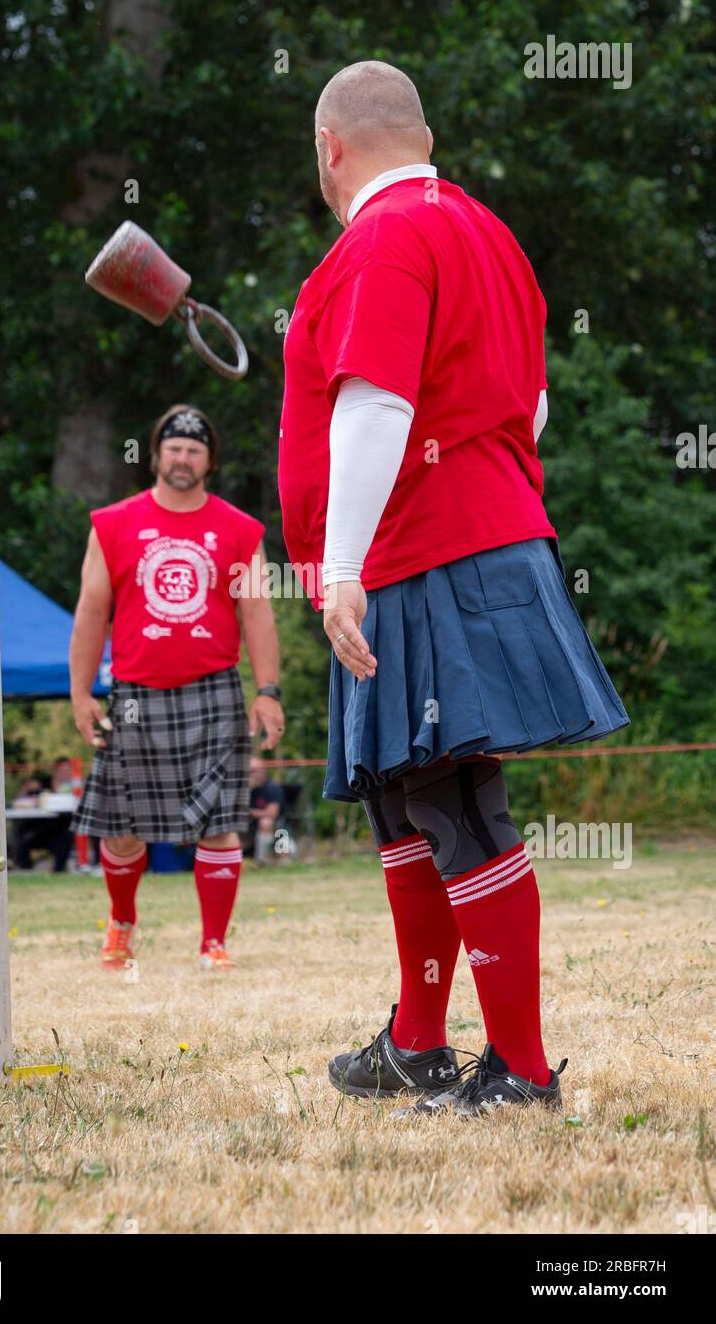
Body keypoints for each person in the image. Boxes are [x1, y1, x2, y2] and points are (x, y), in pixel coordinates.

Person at [277, 60, 629, 1118]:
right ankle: (419, 1044)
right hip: (469, 537)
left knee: (449, 794)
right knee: (403, 795)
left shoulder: (380, 239)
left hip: (424, 548)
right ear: (418, 135)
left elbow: (377, 405)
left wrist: (338, 565)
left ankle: (518, 1070)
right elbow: (530, 402)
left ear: (330, 149)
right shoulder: (486, 233)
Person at [70, 404, 285, 970]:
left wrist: (268, 691)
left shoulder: (239, 529)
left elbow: (258, 612)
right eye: (173, 446)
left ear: (209, 460)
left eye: (194, 449)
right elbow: (92, 611)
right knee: (119, 827)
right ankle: (121, 924)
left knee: (219, 824)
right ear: (156, 453)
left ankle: (214, 944)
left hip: (214, 689)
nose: (182, 457)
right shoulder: (113, 523)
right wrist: (80, 692)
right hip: (135, 693)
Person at [9, 757, 74, 872]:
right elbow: (19, 799)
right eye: (63, 769)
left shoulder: (74, 787)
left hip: (59, 832)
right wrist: (26, 787)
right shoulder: (43, 782)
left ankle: (58, 872)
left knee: (67, 836)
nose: (66, 773)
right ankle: (25, 870)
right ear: (55, 770)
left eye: (68, 770)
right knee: (19, 834)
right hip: (38, 829)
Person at [247, 757, 286, 863]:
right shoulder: (248, 789)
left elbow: (272, 813)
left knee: (266, 822)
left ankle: (261, 862)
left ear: (264, 771)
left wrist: (248, 811)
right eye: (249, 771)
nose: (252, 774)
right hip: (249, 823)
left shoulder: (272, 788)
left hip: (277, 826)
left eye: (255, 771)